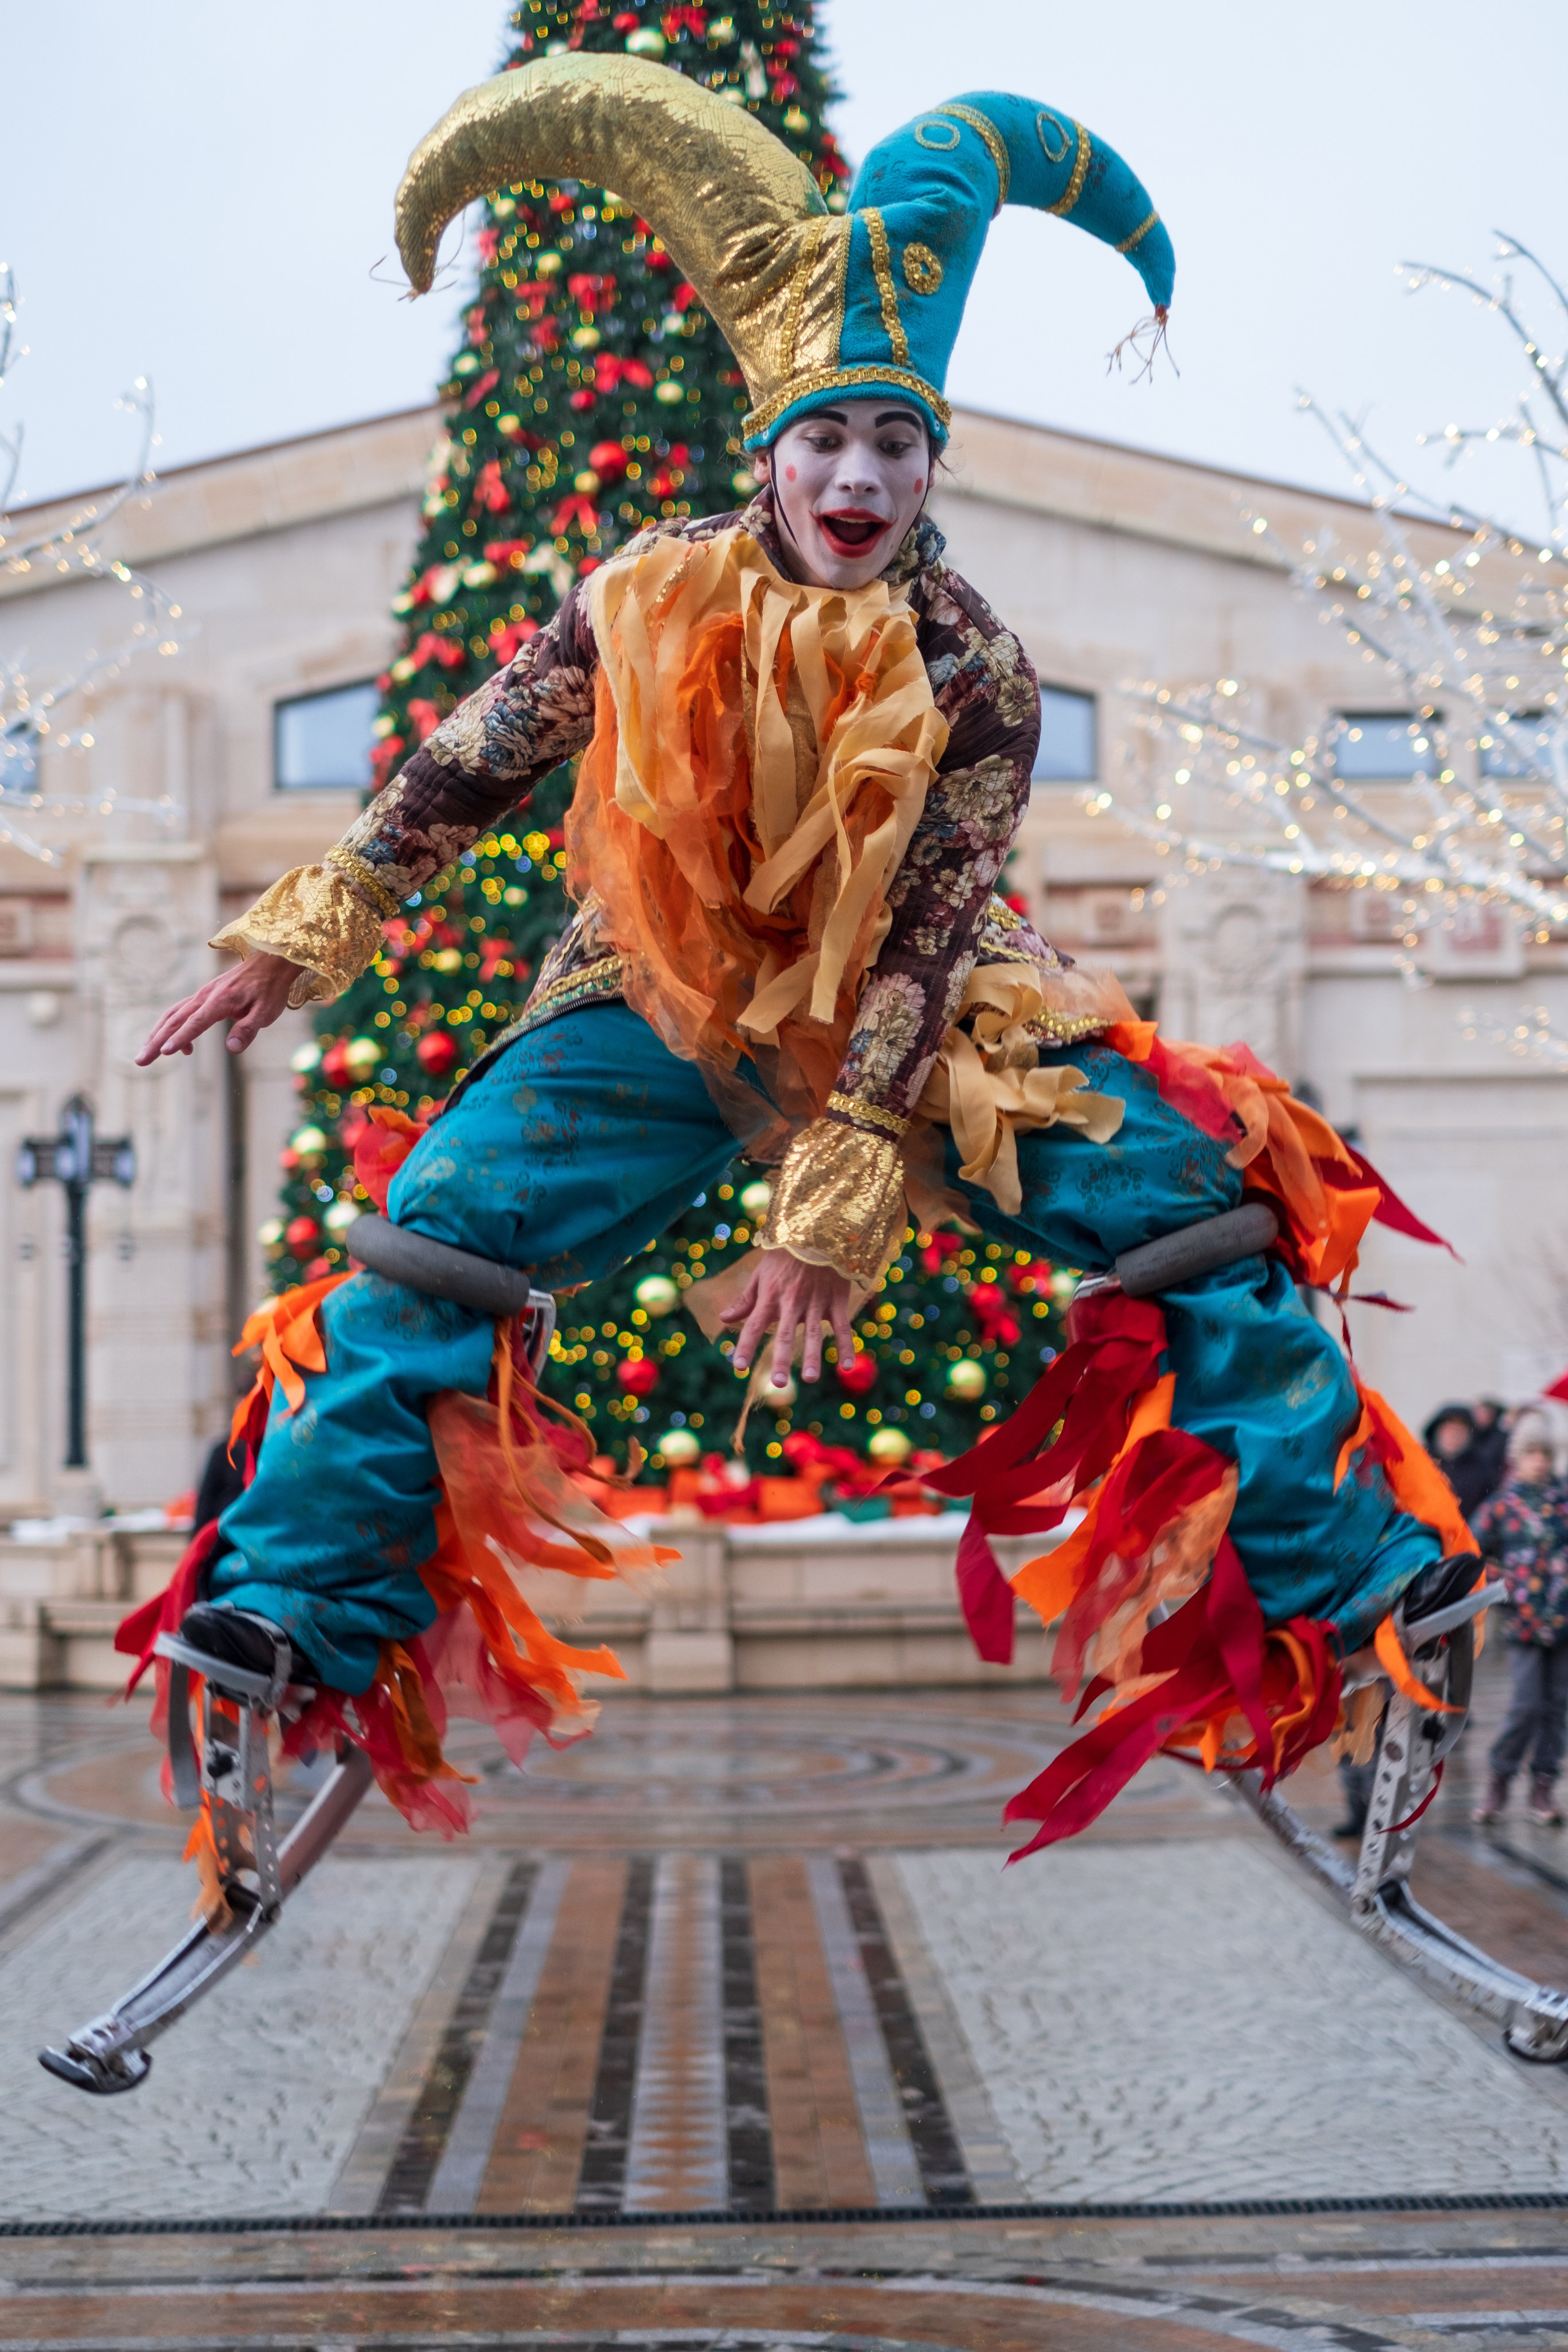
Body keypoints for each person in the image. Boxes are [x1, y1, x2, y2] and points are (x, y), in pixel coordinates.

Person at [123, 59, 1472, 1866]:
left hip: (930, 1022)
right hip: (655, 996)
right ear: (768, 455)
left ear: (928, 465)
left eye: (893, 445)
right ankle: (291, 1608)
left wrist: (832, 1201)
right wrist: (318, 923)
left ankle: (1357, 1585)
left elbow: (928, 930)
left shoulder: (976, 669)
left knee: (1193, 1199)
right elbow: (474, 750)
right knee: (431, 1227)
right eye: (826, 443)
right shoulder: (638, 593)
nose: (857, 476)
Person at [1472, 1413, 1568, 1827]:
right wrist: (1502, 1582)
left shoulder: (1563, 1504)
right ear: (1517, 1458)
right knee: (1526, 1705)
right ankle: (1500, 1778)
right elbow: (1471, 1552)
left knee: (1555, 1708)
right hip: (1524, 1622)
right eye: (1531, 1453)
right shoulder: (1502, 1506)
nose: (1539, 1462)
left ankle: (1543, 1786)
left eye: (1545, 1454)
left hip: (1563, 1620)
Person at [1424, 1400, 1506, 1523]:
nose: (1454, 1435)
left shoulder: (1483, 1467)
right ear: (1436, 1431)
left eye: (1460, 1430)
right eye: (1449, 1429)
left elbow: (1492, 1505)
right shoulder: (1419, 1460)